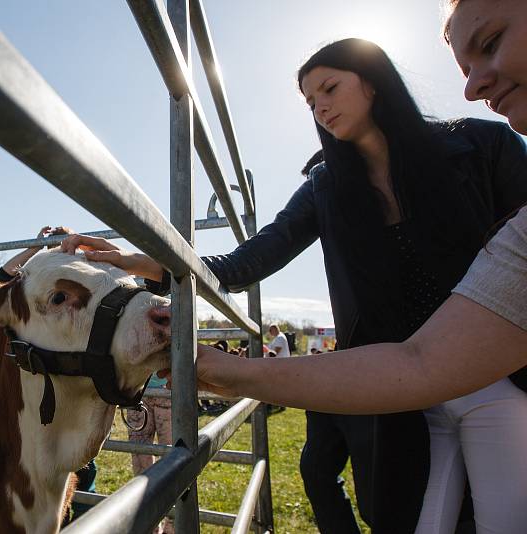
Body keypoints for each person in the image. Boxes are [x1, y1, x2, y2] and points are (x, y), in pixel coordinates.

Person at [61, 34, 527, 533]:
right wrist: (145, 260)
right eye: (310, 101)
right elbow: (246, 261)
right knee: (407, 519)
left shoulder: (483, 146)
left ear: (372, 83)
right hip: (396, 388)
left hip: (491, 376)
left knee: (505, 517)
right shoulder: (326, 186)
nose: (320, 108)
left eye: (329, 88)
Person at [125, 372, 174, 534]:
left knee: (173, 459)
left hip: (169, 389)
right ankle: (150, 524)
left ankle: (172, 524)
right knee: (140, 458)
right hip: (138, 390)